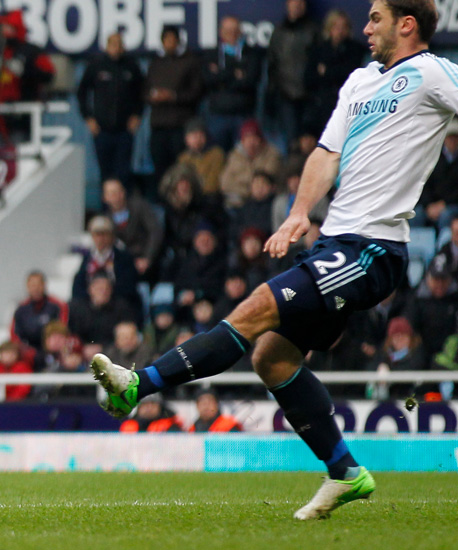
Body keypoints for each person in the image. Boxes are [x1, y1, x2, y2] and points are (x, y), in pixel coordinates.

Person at [91, 0, 445, 520]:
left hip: (372, 248)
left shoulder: (433, 73)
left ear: (407, 24)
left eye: (375, 18)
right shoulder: (360, 82)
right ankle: (346, 472)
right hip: (334, 243)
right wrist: (298, 213)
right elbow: (326, 155)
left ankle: (138, 386)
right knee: (271, 357)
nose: (366, 28)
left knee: (257, 304)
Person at [77, 32, 144, 186]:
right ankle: (107, 209)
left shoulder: (131, 66)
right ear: (107, 46)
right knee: (105, 173)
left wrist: (137, 115)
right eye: (113, 44)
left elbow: (141, 93)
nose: (116, 48)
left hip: (124, 131)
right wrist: (88, 118)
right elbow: (82, 92)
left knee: (124, 173)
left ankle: (123, 209)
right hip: (102, 130)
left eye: (119, 44)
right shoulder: (96, 65)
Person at [146, 26, 203, 186]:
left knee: (181, 170)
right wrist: (153, 97)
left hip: (180, 126)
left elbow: (197, 92)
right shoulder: (155, 64)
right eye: (166, 39)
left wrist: (173, 96)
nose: (169, 43)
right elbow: (144, 91)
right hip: (158, 125)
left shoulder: (190, 62)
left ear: (178, 41)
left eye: (173, 39)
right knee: (160, 170)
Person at [201, 17, 264, 151]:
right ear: (220, 32)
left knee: (244, 156)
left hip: (243, 115)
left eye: (235, 30)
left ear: (240, 32)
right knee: (216, 157)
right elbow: (208, 81)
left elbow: (250, 81)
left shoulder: (251, 54)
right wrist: (235, 73)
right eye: (228, 30)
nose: (232, 34)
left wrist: (221, 75)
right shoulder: (211, 54)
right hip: (217, 116)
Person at [304, 10, 368, 136]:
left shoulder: (356, 49)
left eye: (343, 27)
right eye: (336, 27)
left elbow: (350, 74)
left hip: (348, 108)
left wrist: (326, 71)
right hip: (321, 109)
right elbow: (308, 79)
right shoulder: (319, 50)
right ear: (329, 28)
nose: (340, 31)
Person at [266, 0, 320, 147]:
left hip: (309, 95)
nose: (297, 6)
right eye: (294, 2)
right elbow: (272, 64)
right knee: (290, 143)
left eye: (301, 2)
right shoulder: (279, 32)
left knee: (310, 143)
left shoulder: (313, 30)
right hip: (285, 95)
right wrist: (271, 93)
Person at [10, 270, 68, 354]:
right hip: (29, 351)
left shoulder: (57, 306)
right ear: (27, 287)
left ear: (44, 285)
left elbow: (62, 329)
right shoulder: (21, 309)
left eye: (39, 285)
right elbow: (15, 335)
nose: (36, 288)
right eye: (32, 285)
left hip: (53, 349)